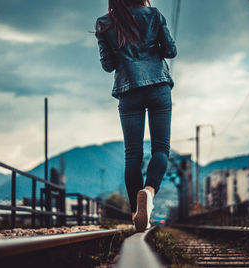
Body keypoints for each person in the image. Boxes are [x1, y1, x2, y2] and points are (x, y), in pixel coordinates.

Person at [95, 0, 177, 232]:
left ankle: (135, 213)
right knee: (161, 149)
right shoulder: (153, 15)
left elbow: (108, 65)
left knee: (133, 155)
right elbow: (171, 51)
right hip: (159, 87)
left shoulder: (104, 23)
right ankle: (148, 193)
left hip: (128, 89)